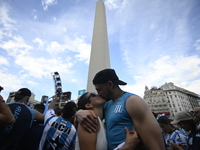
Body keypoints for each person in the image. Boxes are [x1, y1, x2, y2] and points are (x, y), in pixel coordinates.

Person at [76, 68, 166, 150]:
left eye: (99, 89)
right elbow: (91, 110)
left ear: (110, 84)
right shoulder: (106, 105)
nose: (98, 94)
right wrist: (79, 112)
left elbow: (156, 145)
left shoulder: (132, 101)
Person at [75, 92, 140, 150]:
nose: (99, 94)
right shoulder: (89, 119)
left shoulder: (101, 123)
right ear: (88, 105)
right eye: (93, 94)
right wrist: (128, 146)